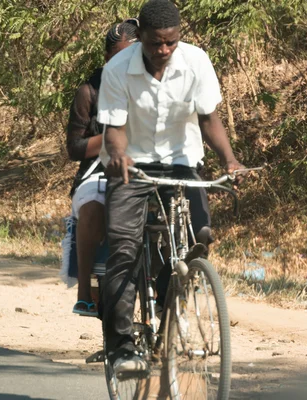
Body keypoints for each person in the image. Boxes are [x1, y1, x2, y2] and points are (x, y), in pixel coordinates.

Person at [97, 0, 245, 373]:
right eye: (154, 43)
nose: (163, 51)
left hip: (182, 162)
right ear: (141, 37)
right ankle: (121, 346)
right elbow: (113, 130)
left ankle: (170, 293)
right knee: (124, 251)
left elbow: (209, 118)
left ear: (178, 37)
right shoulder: (117, 69)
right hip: (132, 165)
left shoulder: (196, 61)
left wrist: (229, 159)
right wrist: (118, 156)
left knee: (200, 236)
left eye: (170, 43)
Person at [66, 19, 139, 317]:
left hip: (142, 166)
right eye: (119, 56)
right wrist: (114, 137)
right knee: (94, 206)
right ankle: (85, 293)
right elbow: (75, 148)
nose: (125, 63)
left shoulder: (151, 84)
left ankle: (166, 285)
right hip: (96, 171)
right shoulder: (89, 91)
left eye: (132, 56)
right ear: (108, 58)